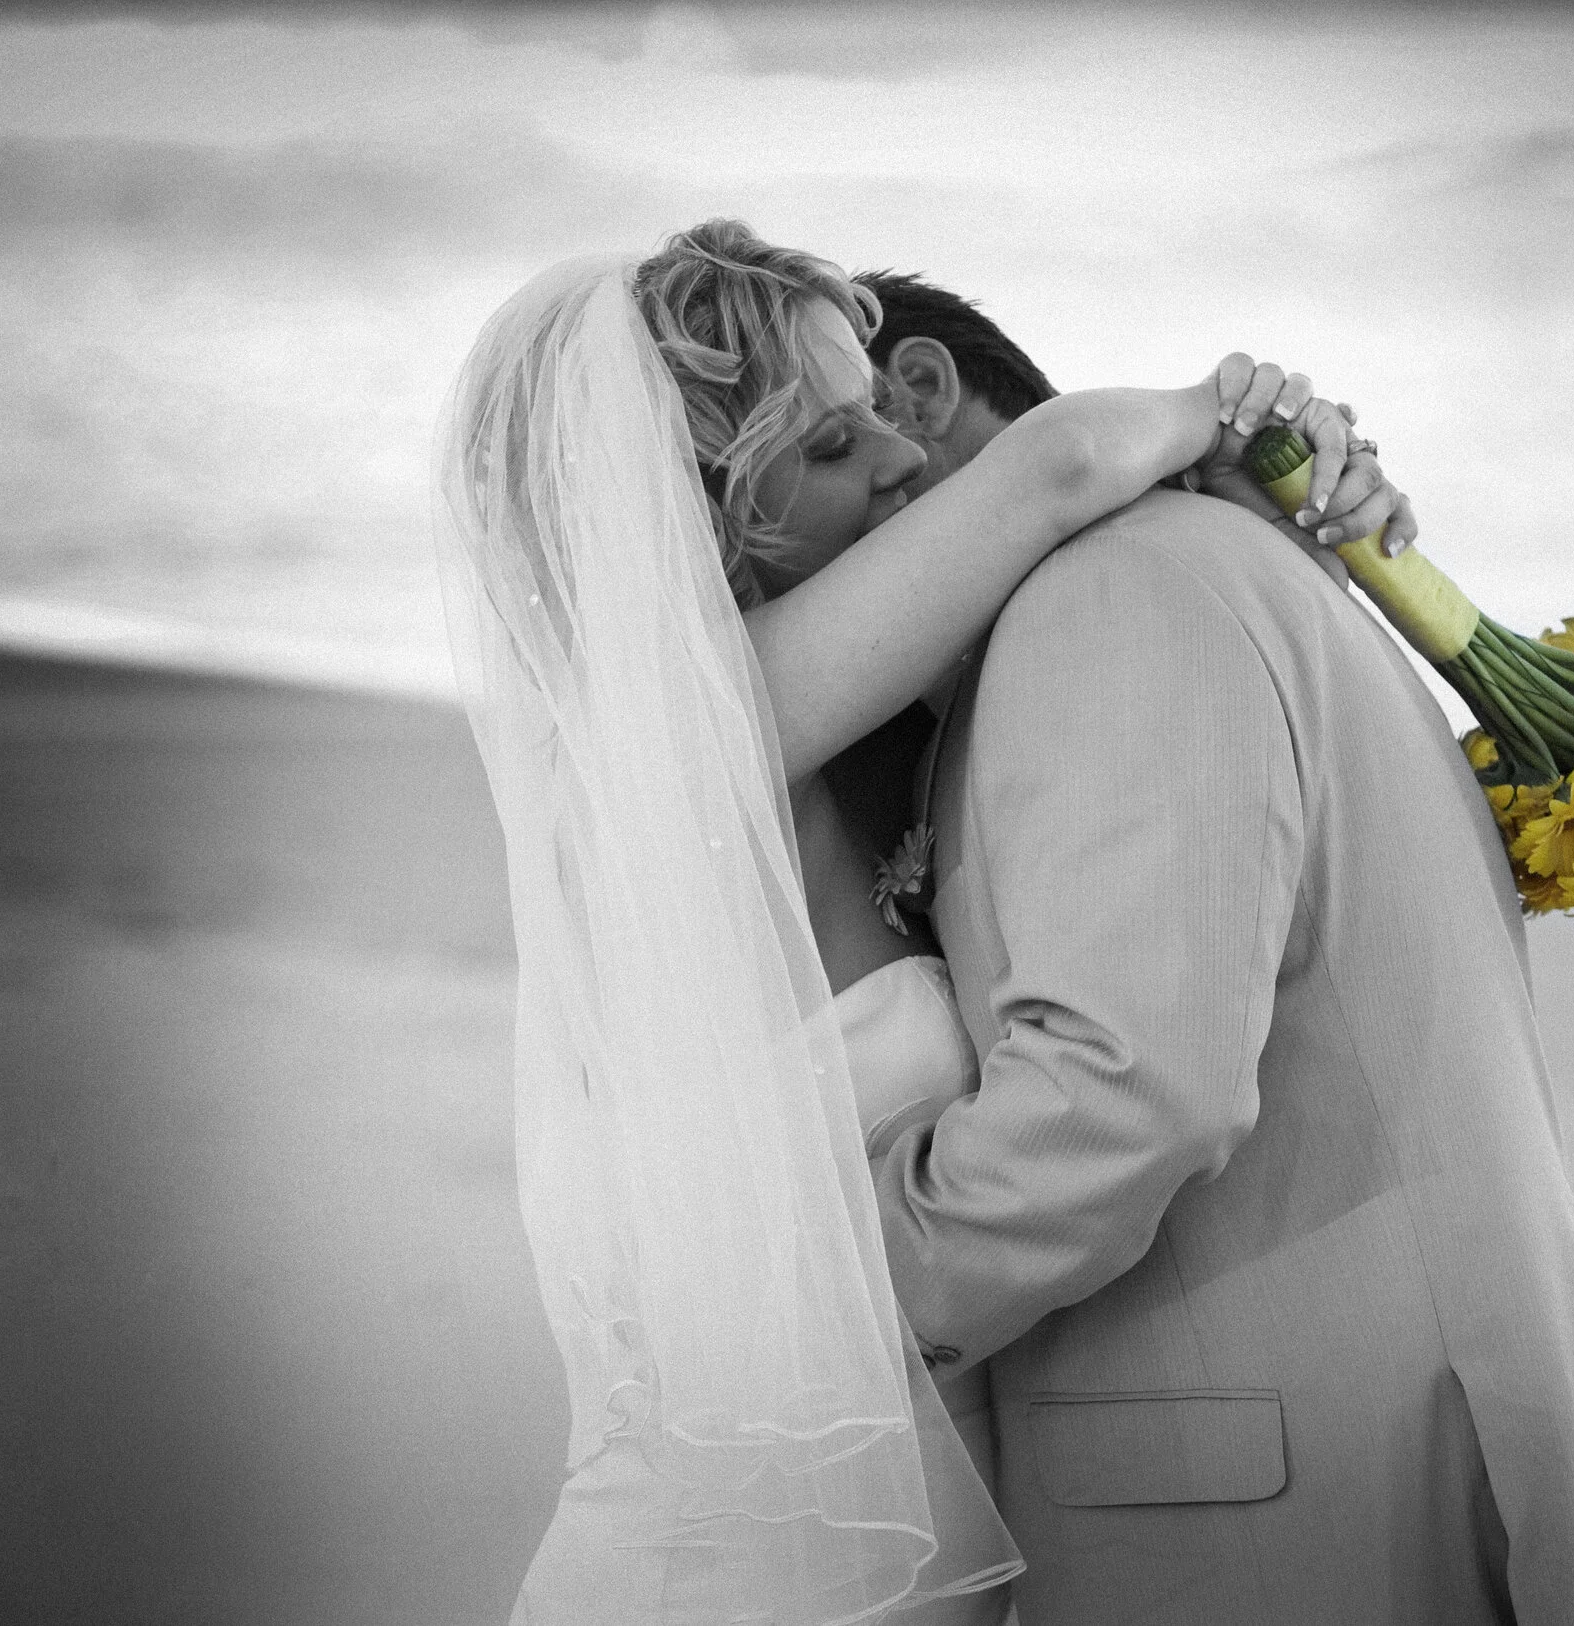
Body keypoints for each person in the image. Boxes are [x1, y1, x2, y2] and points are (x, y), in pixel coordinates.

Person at [433, 220, 1391, 1626]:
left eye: (876, 411)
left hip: (899, 1539)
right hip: (739, 1573)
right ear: (692, 516)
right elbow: (1052, 468)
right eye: (828, 449)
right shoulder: (679, 743)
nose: (895, 459)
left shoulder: (822, 755)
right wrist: (1233, 411)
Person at [846, 272, 1574, 1623]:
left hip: (1307, 1519)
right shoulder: (1207, 568)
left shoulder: (1110, 598)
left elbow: (1126, 1095)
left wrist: (822, 1287)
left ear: (915, 394)